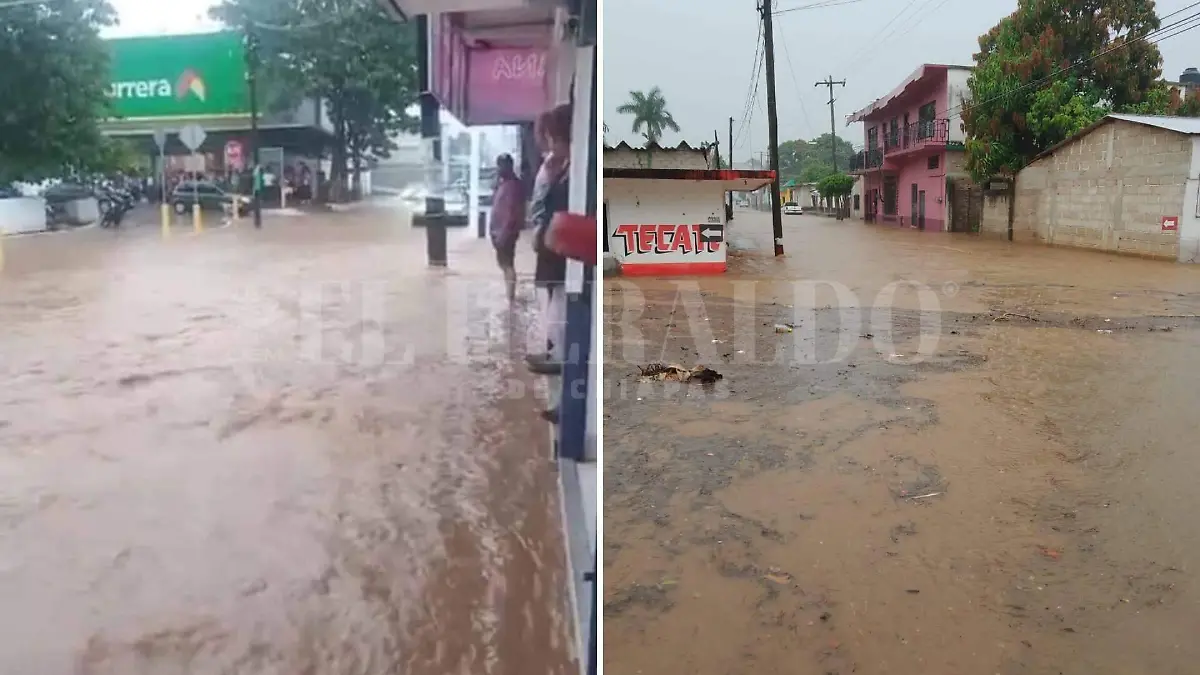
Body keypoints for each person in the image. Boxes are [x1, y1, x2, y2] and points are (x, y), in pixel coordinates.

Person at [526, 104, 572, 379]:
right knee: (555, 300)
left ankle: (559, 357)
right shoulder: (557, 168)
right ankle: (555, 351)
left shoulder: (571, 172)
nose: (550, 143)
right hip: (552, 246)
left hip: (562, 250)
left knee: (562, 304)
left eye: (552, 137)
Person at [489, 154, 526, 301]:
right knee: (504, 263)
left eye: (502, 165)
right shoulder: (504, 184)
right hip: (501, 231)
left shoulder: (513, 186)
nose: (499, 168)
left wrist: (504, 232)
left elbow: (511, 212)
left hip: (506, 232)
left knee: (507, 263)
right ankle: (509, 295)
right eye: (499, 165)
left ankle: (510, 298)